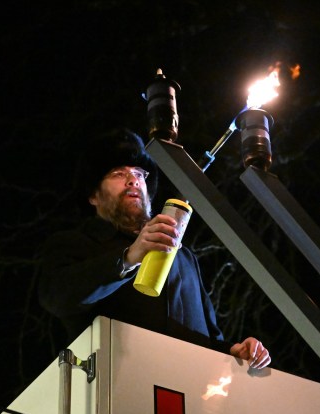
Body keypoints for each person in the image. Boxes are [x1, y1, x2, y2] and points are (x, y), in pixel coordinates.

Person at [38, 128, 271, 369]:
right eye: (118, 173)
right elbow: (57, 297)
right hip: (115, 385)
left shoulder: (184, 257)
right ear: (93, 196)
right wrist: (128, 259)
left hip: (189, 389)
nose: (133, 180)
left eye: (139, 173)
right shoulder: (76, 243)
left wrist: (233, 352)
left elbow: (210, 337)